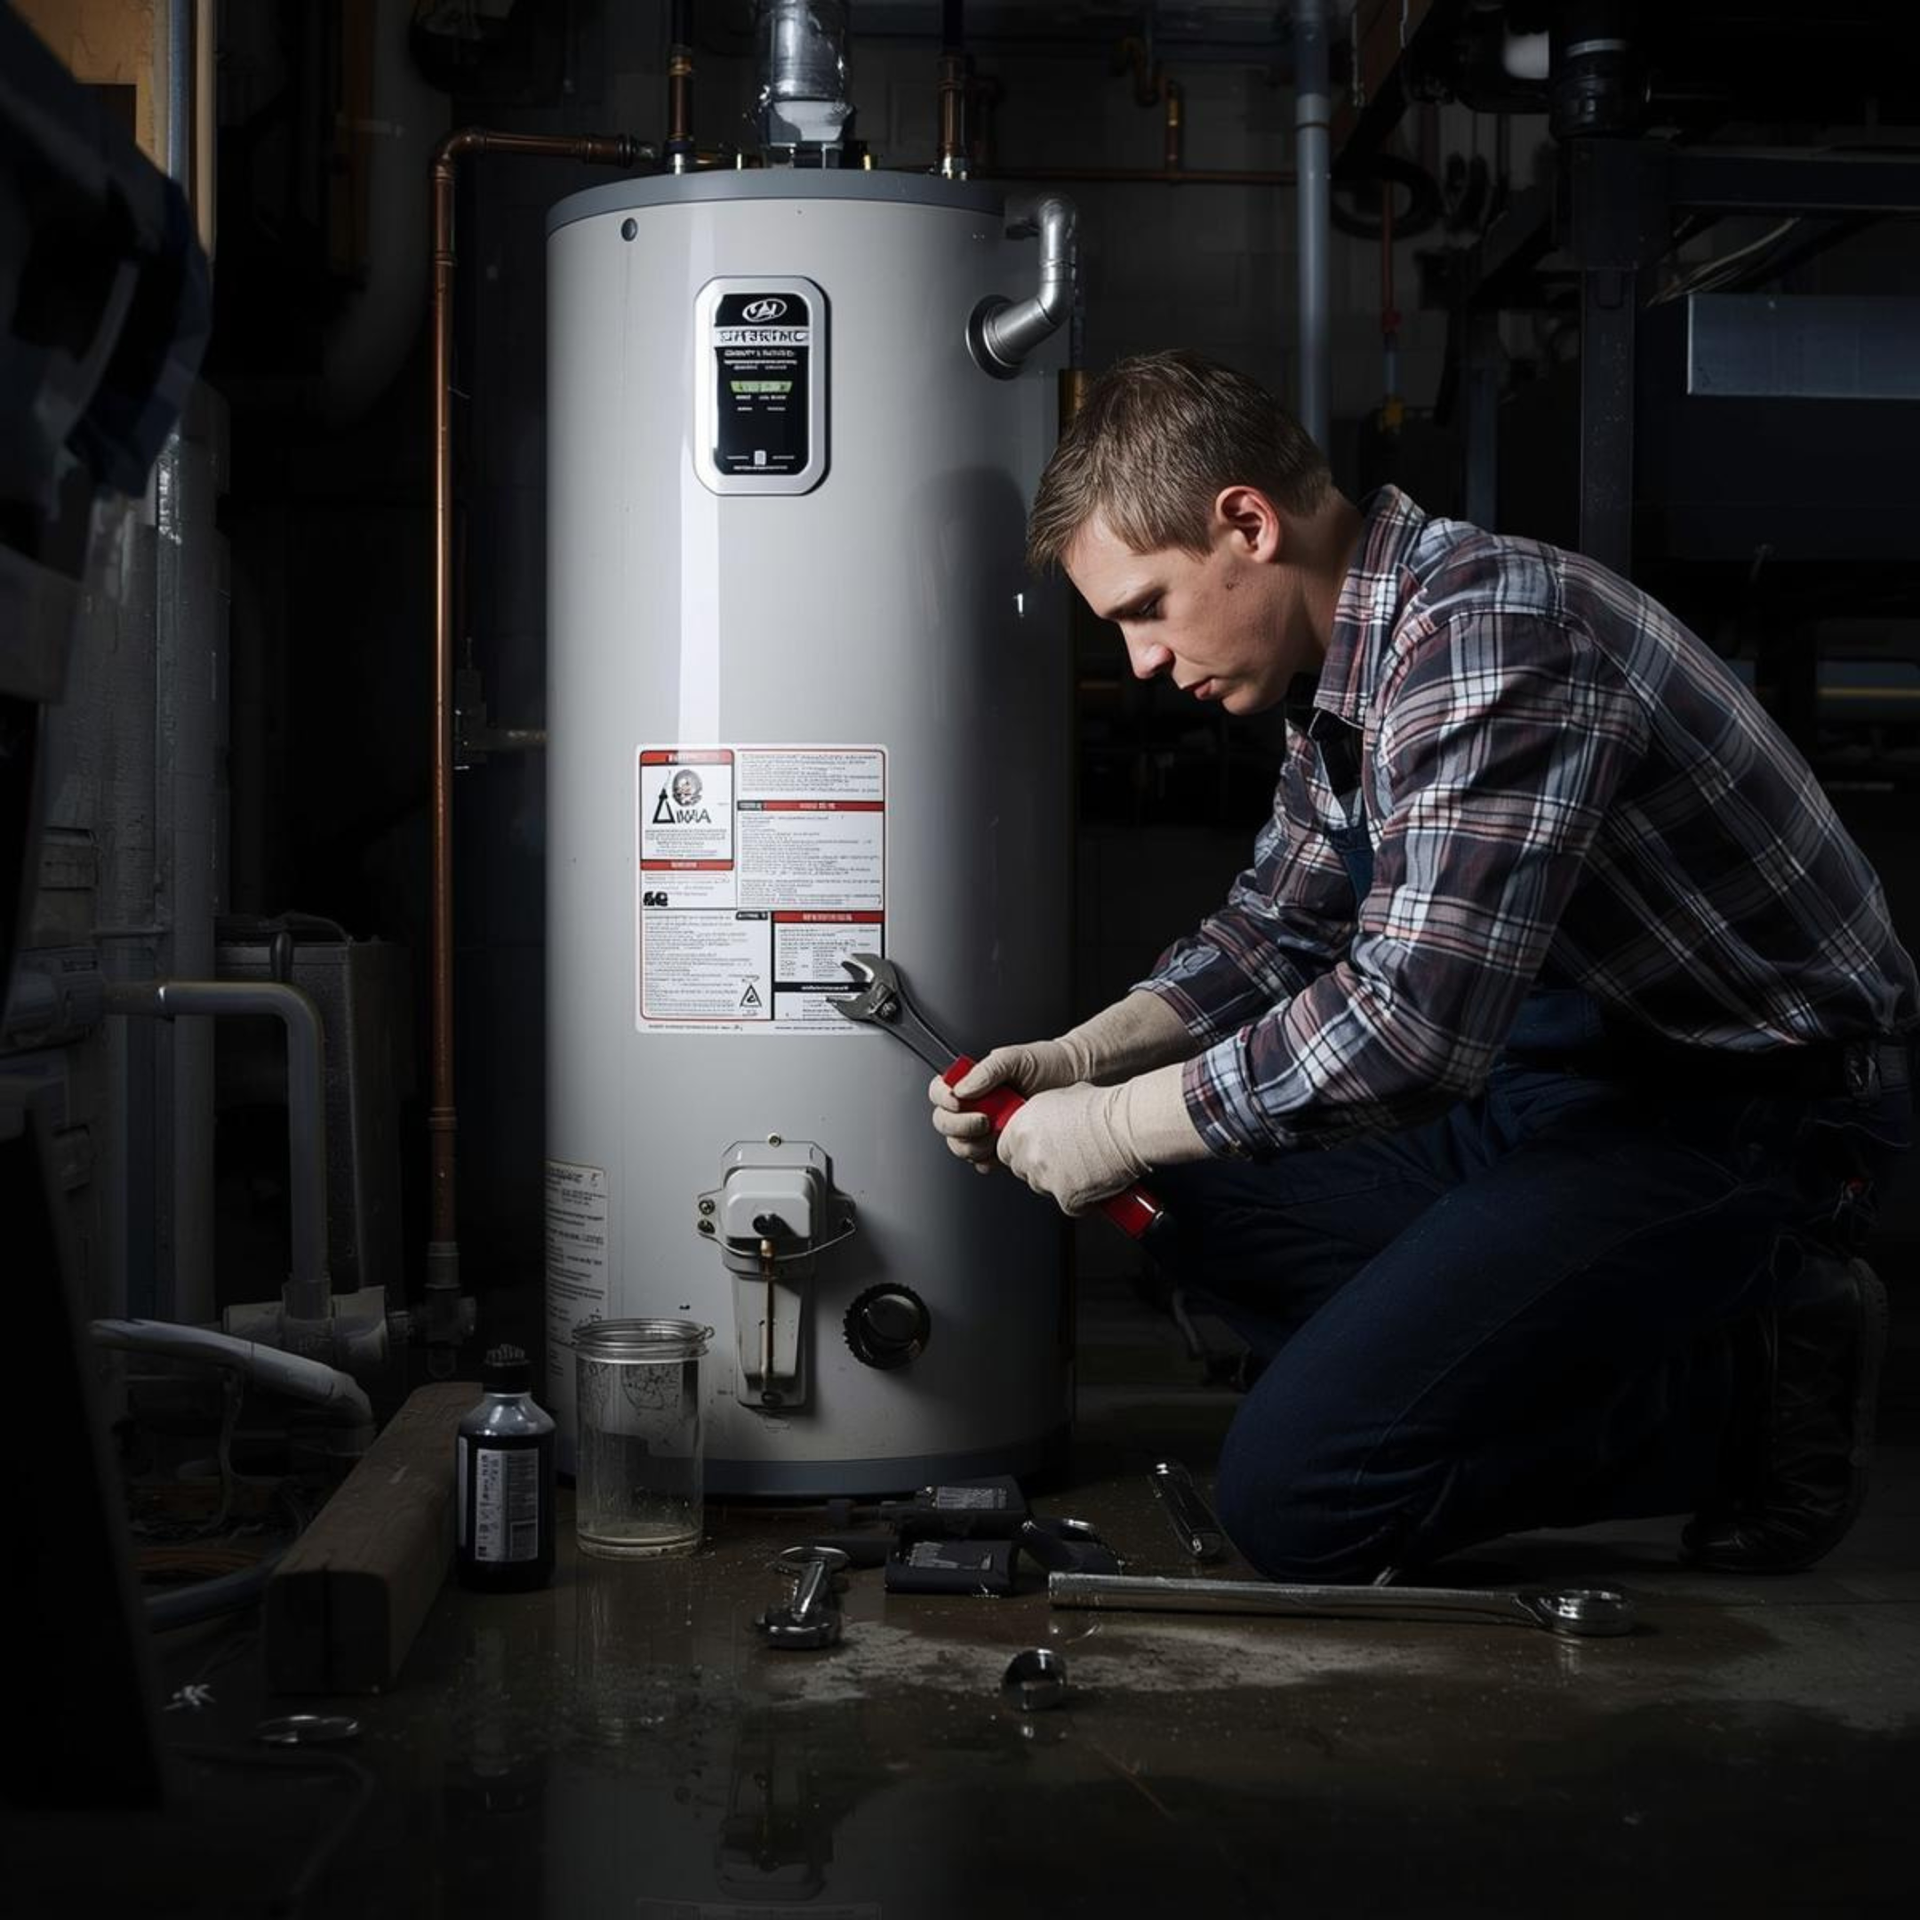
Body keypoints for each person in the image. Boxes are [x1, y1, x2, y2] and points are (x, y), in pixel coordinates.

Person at [930, 349, 1915, 1583]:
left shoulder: (1496, 635)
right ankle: (1487, 1358)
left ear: (1246, 522)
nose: (1138, 663)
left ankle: (1743, 1402)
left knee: (1301, 1501)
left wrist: (1121, 1120)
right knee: (1183, 1191)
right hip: (1553, 1091)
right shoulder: (1348, 672)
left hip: (1746, 1117)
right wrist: (1084, 1055)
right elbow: (1272, 931)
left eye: (1145, 609)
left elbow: (1410, 1030)